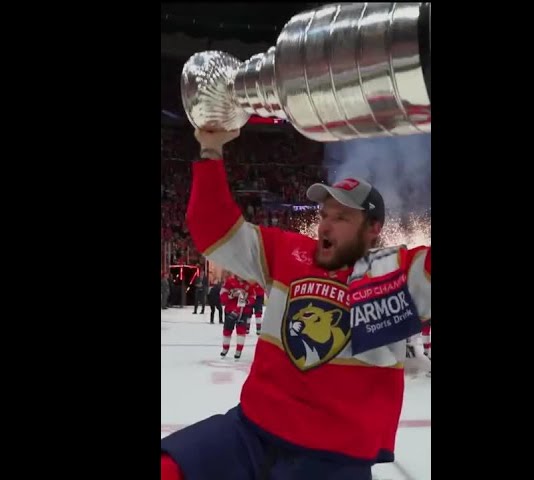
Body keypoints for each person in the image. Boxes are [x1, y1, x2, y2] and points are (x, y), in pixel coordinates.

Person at [161, 129, 431, 480]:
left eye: (341, 218)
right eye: (324, 215)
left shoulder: (395, 273)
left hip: (333, 457)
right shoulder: (290, 252)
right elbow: (214, 228)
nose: (325, 226)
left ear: (373, 228)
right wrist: (211, 148)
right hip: (251, 431)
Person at [219, 273, 256, 359]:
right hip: (230, 310)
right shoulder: (229, 282)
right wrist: (231, 296)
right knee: (227, 330)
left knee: (241, 331)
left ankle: (238, 351)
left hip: (243, 312)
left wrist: (247, 302)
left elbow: (253, 297)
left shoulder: (249, 284)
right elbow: (222, 296)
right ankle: (225, 348)